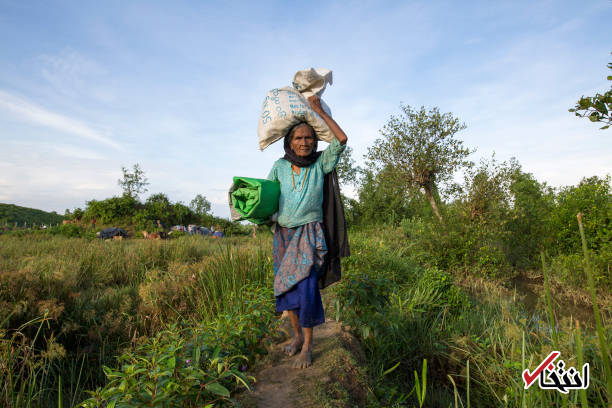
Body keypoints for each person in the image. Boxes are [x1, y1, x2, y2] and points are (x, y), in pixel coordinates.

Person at [267, 94, 348, 368]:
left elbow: (341, 139)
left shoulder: (320, 164)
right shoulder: (279, 166)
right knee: (287, 290)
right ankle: (297, 337)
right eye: (299, 138)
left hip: (309, 235)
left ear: (315, 142)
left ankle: (309, 346)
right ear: (289, 142)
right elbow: (266, 197)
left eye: (309, 138)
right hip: (284, 236)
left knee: (308, 289)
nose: (304, 142)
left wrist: (318, 111)